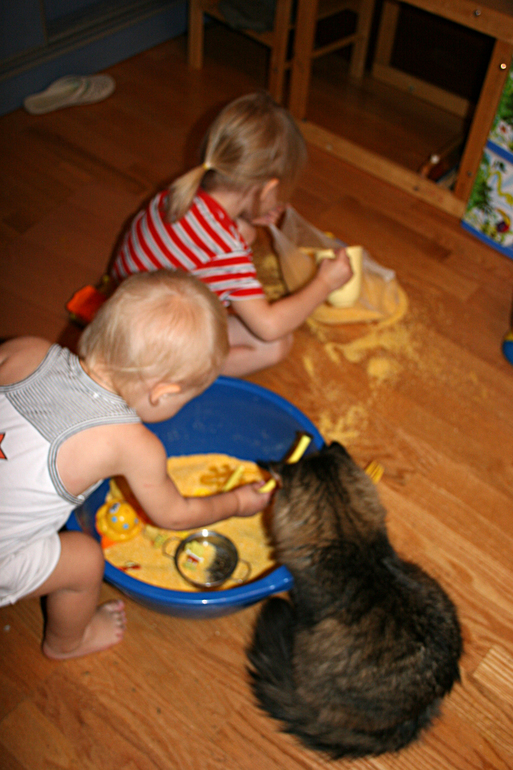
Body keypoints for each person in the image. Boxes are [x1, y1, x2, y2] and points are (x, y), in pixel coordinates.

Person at [0, 270, 272, 660]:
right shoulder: (134, 444)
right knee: (85, 560)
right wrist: (238, 502)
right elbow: (176, 515)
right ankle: (67, 642)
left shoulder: (26, 349)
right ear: (163, 393)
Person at [111, 91, 353, 377]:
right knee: (275, 345)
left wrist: (250, 216)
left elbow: (223, 237)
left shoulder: (178, 193)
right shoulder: (225, 249)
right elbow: (270, 325)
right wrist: (325, 282)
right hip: (145, 352)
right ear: (267, 189)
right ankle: (176, 378)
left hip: (120, 317)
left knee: (246, 234)